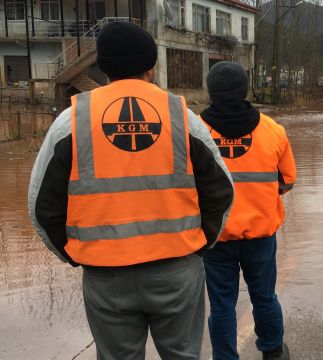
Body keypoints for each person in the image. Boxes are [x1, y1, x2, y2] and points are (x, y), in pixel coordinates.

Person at [28, 22, 234, 359]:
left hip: (105, 276)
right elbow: (222, 191)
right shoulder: (183, 117)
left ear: (103, 67)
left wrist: (76, 254)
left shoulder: (72, 120)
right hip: (177, 270)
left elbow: (41, 206)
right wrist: (199, 245)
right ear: (151, 68)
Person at [199, 61, 297, 360]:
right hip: (260, 237)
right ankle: (273, 352)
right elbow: (288, 180)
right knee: (264, 298)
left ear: (211, 92)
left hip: (215, 239)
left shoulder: (196, 131)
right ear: (246, 90)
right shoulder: (273, 131)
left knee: (222, 306)